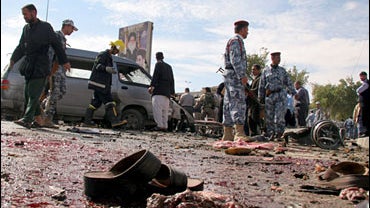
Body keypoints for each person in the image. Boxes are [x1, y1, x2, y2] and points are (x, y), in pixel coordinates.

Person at [10, 4, 71, 129]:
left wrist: (64, 61)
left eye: (26, 14)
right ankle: (39, 120)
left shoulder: (46, 27)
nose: (24, 17)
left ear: (34, 13)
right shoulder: (26, 28)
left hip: (41, 65)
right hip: (29, 65)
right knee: (28, 93)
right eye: (23, 15)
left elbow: (56, 45)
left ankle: (27, 119)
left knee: (34, 93)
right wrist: (13, 59)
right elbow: (21, 46)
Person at [82, 40, 127, 128]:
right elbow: (98, 65)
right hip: (100, 84)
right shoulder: (103, 54)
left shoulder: (109, 56)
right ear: (114, 48)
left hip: (100, 84)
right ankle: (115, 121)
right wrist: (107, 68)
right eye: (117, 51)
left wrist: (109, 70)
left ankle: (87, 122)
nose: (117, 53)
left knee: (95, 103)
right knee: (110, 102)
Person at [41, 19, 78, 128]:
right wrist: (52, 70)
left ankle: (43, 108)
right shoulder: (57, 36)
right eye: (72, 28)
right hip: (54, 68)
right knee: (55, 93)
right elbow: (54, 53)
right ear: (66, 26)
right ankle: (47, 118)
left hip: (60, 69)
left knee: (61, 91)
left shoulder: (62, 38)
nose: (72, 31)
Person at [221, 20, 251, 141]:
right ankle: (239, 133)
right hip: (234, 76)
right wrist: (242, 75)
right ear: (242, 29)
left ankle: (227, 134)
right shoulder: (236, 41)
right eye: (247, 30)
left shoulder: (234, 41)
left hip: (230, 75)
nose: (248, 32)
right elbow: (235, 59)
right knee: (238, 102)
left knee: (228, 103)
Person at [258, 52, 297, 140]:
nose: (279, 59)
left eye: (279, 57)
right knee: (269, 117)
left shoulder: (282, 71)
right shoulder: (266, 71)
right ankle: (271, 134)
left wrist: (294, 92)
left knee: (280, 116)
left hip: (280, 95)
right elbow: (261, 85)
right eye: (277, 58)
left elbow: (289, 82)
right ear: (272, 58)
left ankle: (280, 134)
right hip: (270, 96)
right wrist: (260, 98)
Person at [148, 52, 175, 131]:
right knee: (165, 111)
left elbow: (156, 75)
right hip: (167, 93)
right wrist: (172, 92)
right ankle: (165, 126)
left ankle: (159, 125)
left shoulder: (158, 64)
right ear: (163, 57)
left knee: (157, 110)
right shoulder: (169, 67)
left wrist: (152, 86)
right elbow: (172, 80)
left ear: (156, 58)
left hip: (158, 91)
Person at [247, 64, 263, 136]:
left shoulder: (260, 79)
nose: (252, 71)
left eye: (254, 69)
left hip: (257, 102)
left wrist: (249, 91)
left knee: (255, 119)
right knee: (251, 119)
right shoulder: (255, 79)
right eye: (252, 70)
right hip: (252, 103)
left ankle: (257, 134)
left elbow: (258, 90)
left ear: (258, 70)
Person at [356, 71, 369, 136]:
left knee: (364, 116)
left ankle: (365, 131)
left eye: (361, 76)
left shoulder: (366, 84)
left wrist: (358, 92)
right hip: (364, 103)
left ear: (365, 76)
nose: (360, 78)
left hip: (365, 103)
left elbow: (358, 90)